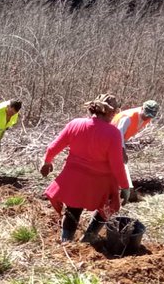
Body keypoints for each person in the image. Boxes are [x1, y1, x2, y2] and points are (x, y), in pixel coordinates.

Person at [40, 94, 127, 243]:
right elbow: (117, 165)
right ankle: (89, 237)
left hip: (74, 177)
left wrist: (47, 162)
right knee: (106, 208)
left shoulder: (75, 124)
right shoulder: (113, 133)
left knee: (73, 208)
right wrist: (125, 187)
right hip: (101, 182)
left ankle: (66, 241)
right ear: (111, 112)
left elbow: (53, 147)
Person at [113, 100, 159, 200]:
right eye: (147, 114)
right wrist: (122, 150)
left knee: (118, 163)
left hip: (118, 139)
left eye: (150, 115)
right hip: (109, 138)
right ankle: (118, 189)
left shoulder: (147, 118)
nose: (148, 117)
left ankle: (121, 188)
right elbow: (118, 134)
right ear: (142, 108)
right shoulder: (128, 118)